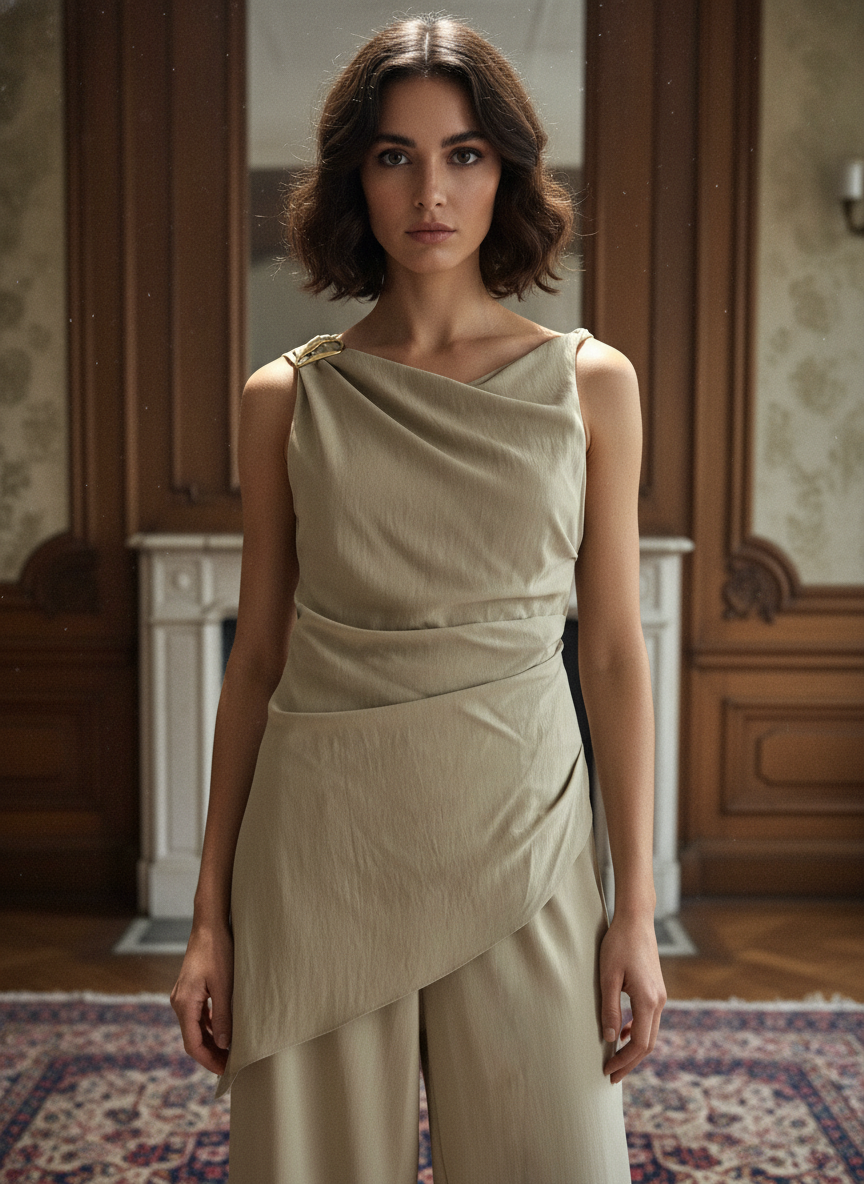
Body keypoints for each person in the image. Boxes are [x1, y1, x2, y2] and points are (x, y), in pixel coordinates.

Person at [170, 14, 666, 1182]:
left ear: (508, 171)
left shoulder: (591, 385)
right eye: (394, 154)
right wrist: (208, 917)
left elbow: (612, 657)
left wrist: (634, 908)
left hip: (528, 839)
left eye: (464, 153)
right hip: (319, 844)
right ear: (355, 177)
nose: (429, 189)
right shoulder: (285, 400)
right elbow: (255, 660)